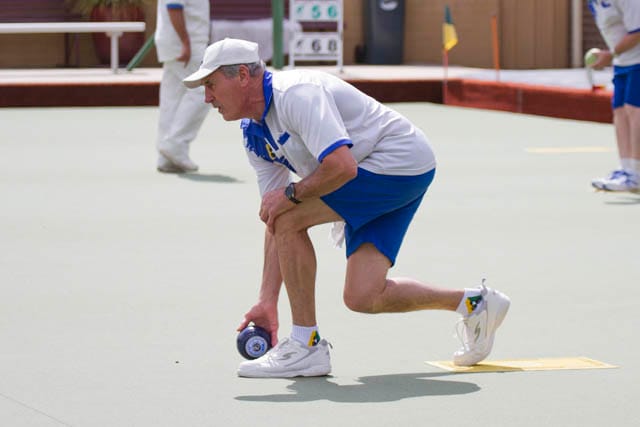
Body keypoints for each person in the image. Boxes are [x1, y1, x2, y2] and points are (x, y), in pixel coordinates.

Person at [183, 38, 511, 378]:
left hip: (396, 162)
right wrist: (267, 301)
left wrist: (293, 194)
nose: (207, 97)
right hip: (386, 171)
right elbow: (274, 217)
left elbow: (340, 167)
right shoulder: (254, 134)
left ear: (242, 76)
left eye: (211, 84)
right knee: (363, 296)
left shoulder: (295, 94)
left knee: (290, 214)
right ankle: (476, 304)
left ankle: (306, 346)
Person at [588, 0, 640, 192]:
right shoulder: (593, 3)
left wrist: (610, 54)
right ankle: (626, 169)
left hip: (637, 61)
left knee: (635, 111)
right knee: (620, 112)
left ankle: (636, 173)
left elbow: (638, 31)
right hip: (622, 62)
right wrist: (609, 55)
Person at [154, 0, 211, 173]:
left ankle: (166, 157)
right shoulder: (186, 42)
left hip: (178, 43)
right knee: (204, 91)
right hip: (186, 45)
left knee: (172, 98)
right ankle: (175, 144)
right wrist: (185, 42)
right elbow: (174, 7)